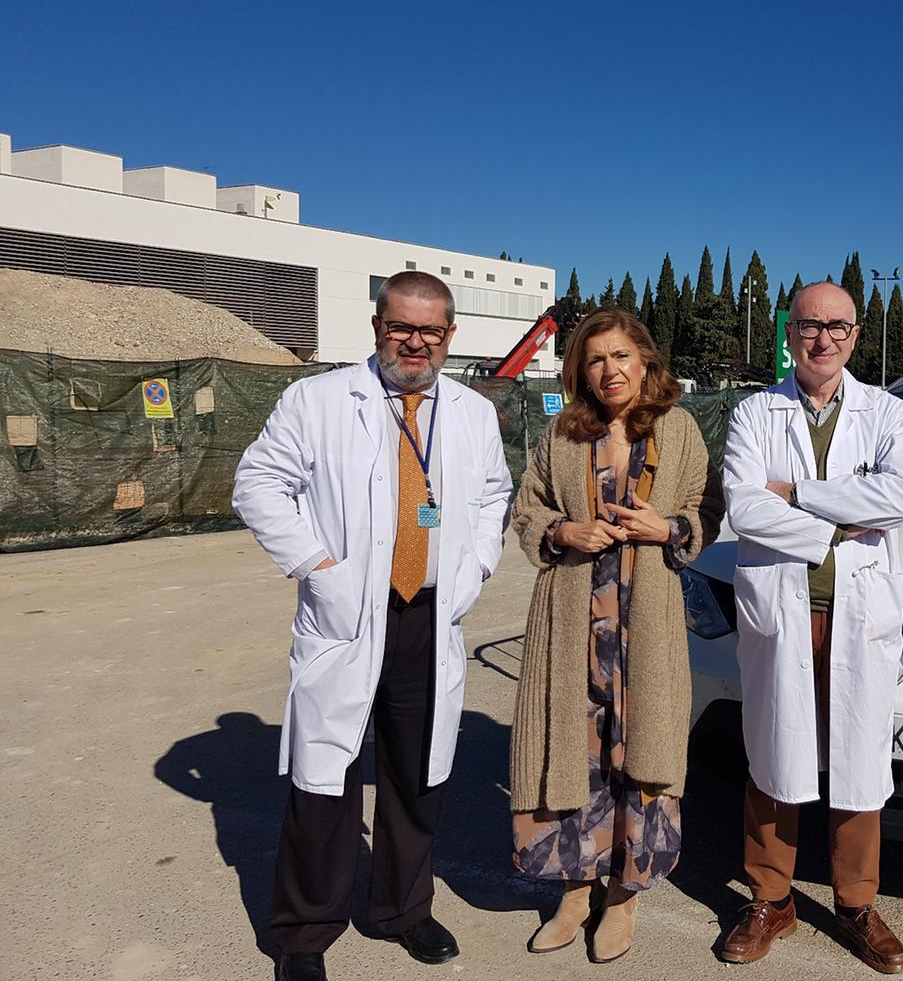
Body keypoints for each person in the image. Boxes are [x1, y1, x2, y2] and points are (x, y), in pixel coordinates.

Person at [233, 271, 512, 981]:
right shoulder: (317, 400)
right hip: (347, 616)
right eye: (401, 327)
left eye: (430, 330)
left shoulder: (474, 413)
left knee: (417, 774)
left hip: (428, 614)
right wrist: (315, 564)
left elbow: (490, 495)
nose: (414, 342)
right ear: (377, 326)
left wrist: (475, 565)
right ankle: (303, 933)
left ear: (450, 336)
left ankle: (402, 910)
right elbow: (258, 484)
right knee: (324, 780)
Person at [509, 307, 722, 964]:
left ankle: (624, 898)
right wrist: (560, 532)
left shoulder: (679, 429)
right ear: (581, 370)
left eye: (621, 356)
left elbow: (707, 509)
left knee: (639, 760)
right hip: (573, 624)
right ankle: (575, 893)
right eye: (596, 359)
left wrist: (670, 530)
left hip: (646, 629)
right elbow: (528, 505)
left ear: (645, 361)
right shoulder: (562, 433)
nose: (610, 370)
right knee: (573, 757)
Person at [718, 281, 903, 974]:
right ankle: (771, 899)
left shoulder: (887, 412)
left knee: (859, 759)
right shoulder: (754, 413)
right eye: (809, 324)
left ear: (855, 335)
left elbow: (899, 497)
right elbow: (743, 508)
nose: (823, 337)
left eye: (837, 326)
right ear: (791, 332)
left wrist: (797, 495)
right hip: (783, 614)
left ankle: (856, 904)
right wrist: (842, 520)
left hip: (857, 614)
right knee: (773, 753)